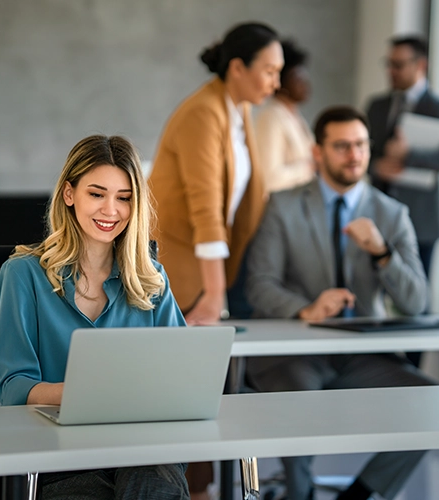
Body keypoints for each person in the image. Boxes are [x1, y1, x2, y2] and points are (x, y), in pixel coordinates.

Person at [245, 106, 435, 500]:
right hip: (295, 353)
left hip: (361, 354)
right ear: (318, 153)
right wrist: (305, 309)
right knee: (299, 405)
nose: (355, 155)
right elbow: (259, 285)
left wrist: (383, 253)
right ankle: (300, 495)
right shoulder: (282, 206)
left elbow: (416, 301)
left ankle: (359, 496)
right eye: (343, 146)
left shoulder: (392, 213)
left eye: (362, 145)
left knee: (431, 404)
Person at [0, 135, 190, 500]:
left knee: (151, 477)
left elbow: (182, 374)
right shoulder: (22, 275)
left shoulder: (151, 279)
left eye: (124, 198)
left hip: (142, 447)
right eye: (96, 194)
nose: (110, 210)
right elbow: (13, 387)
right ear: (69, 194)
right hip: (61, 452)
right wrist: (83, 397)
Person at [148, 21, 283, 498]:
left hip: (208, 269)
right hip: (181, 271)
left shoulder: (236, 110)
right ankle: (187, 489)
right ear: (238, 68)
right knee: (184, 393)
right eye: (268, 70)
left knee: (205, 391)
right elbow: (207, 210)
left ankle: (199, 488)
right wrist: (214, 295)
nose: (276, 82)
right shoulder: (203, 113)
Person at [366, 35, 439, 367]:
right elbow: (361, 154)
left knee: (416, 300)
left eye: (398, 64)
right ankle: (375, 365)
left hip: (421, 221)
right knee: (370, 292)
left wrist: (410, 155)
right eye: (388, 64)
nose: (391, 70)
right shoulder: (377, 106)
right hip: (377, 215)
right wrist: (377, 164)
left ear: (420, 65)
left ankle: (411, 369)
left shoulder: (438, 107)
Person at [254, 39, 316, 192]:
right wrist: (310, 167)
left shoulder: (294, 115)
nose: (305, 84)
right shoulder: (271, 118)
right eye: (298, 77)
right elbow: (269, 178)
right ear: (281, 79)